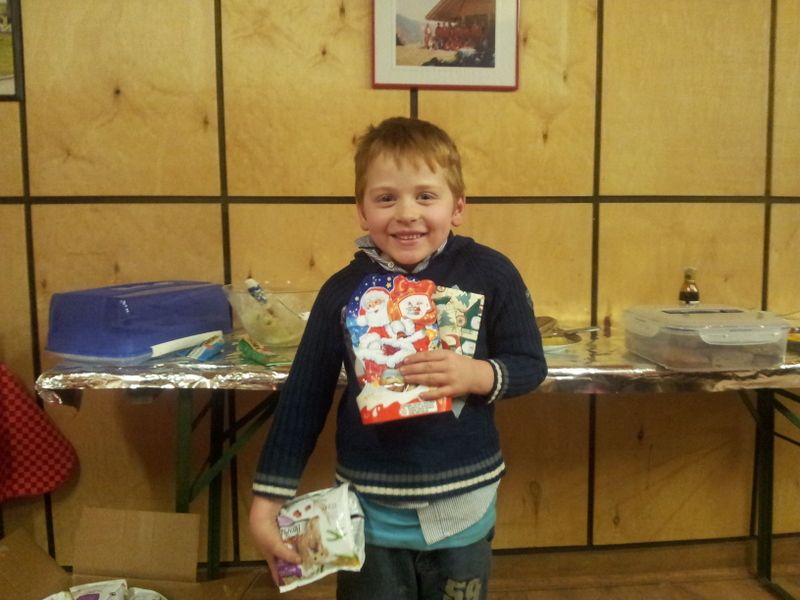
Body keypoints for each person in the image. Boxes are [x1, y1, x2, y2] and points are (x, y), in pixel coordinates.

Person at [248, 116, 547, 599]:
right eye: (386, 198)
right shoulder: (342, 292)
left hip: (464, 502)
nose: (407, 213)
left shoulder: (493, 274)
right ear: (362, 211)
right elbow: (303, 398)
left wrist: (477, 374)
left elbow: (531, 364)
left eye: (426, 196)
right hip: (370, 511)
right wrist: (267, 503)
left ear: (458, 206)